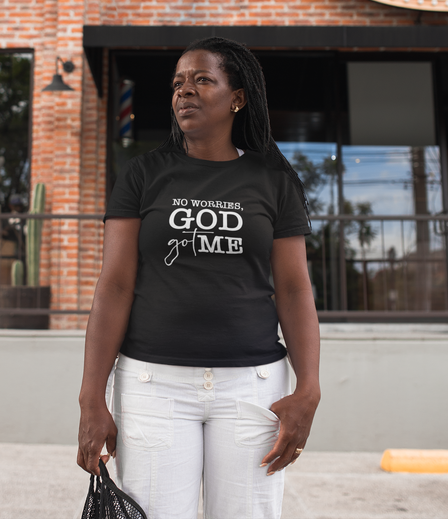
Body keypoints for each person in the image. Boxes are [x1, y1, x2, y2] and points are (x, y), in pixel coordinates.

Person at [77, 37, 321, 519]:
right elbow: (115, 286)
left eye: (202, 80)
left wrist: (308, 387)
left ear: (238, 98)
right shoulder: (143, 174)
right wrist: (91, 397)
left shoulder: (273, 179)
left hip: (252, 388)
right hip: (152, 384)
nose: (184, 91)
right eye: (178, 84)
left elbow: (294, 289)